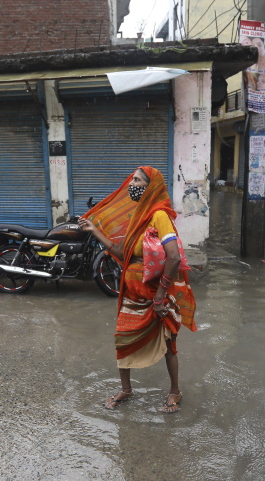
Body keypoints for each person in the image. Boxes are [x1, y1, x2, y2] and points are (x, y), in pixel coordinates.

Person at [78, 167, 196, 414]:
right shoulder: (137, 217)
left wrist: (161, 296)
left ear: (150, 186)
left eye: (137, 180)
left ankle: (175, 391)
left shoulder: (159, 216)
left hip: (156, 294)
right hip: (132, 294)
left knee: (169, 343)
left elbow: (173, 257)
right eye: (132, 179)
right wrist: (95, 231)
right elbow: (122, 254)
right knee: (123, 339)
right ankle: (126, 389)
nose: (131, 184)